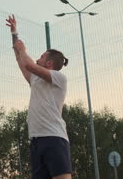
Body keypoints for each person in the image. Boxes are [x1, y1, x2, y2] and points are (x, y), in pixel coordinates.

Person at [6, 14, 73, 179]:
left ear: (49, 63)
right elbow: (20, 58)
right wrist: (14, 33)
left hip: (54, 138)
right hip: (36, 139)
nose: (37, 59)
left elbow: (28, 63)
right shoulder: (35, 79)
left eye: (42, 57)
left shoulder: (59, 78)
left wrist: (23, 50)